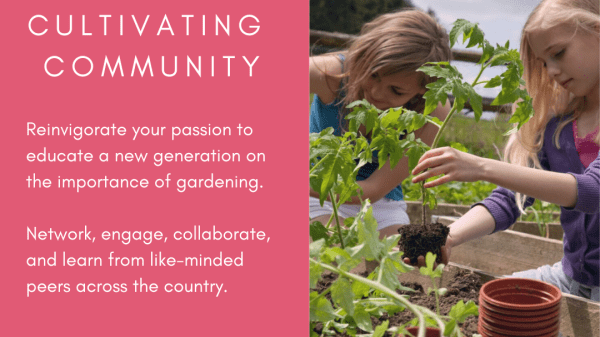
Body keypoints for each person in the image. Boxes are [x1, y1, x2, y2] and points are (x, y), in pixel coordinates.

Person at [410, 0, 599, 301]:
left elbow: (592, 193)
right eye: (543, 62)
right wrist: (449, 236)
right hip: (571, 280)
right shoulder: (560, 126)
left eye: (558, 53)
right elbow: (511, 199)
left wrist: (482, 167)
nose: (550, 70)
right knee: (489, 303)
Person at [309, 9, 452, 239]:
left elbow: (375, 189)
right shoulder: (331, 74)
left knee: (394, 260)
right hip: (316, 192)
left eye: (396, 90)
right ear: (365, 56)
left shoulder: (432, 111)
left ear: (423, 90)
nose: (375, 92)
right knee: (335, 248)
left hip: (380, 202)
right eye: (373, 74)